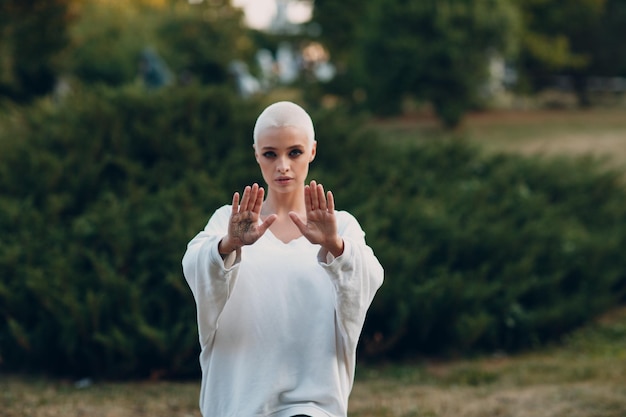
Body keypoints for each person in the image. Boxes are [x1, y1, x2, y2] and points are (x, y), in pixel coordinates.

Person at [182, 101, 384, 417]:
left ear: (312, 151)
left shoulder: (340, 225)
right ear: (256, 153)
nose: (283, 166)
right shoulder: (228, 220)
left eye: (294, 152)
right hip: (242, 397)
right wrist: (229, 244)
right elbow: (196, 264)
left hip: (313, 400)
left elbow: (368, 278)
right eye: (270, 154)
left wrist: (335, 246)